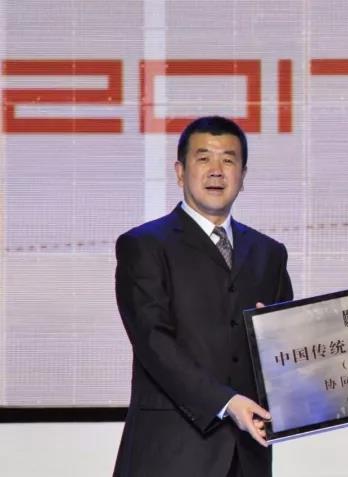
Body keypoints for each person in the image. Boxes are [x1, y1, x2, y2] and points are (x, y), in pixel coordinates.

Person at [113, 116, 293, 477]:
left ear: (243, 175)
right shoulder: (144, 246)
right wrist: (227, 402)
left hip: (247, 458)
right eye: (203, 158)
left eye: (228, 160)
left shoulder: (269, 253)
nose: (216, 171)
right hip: (171, 456)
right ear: (180, 172)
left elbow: (290, 348)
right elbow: (153, 342)